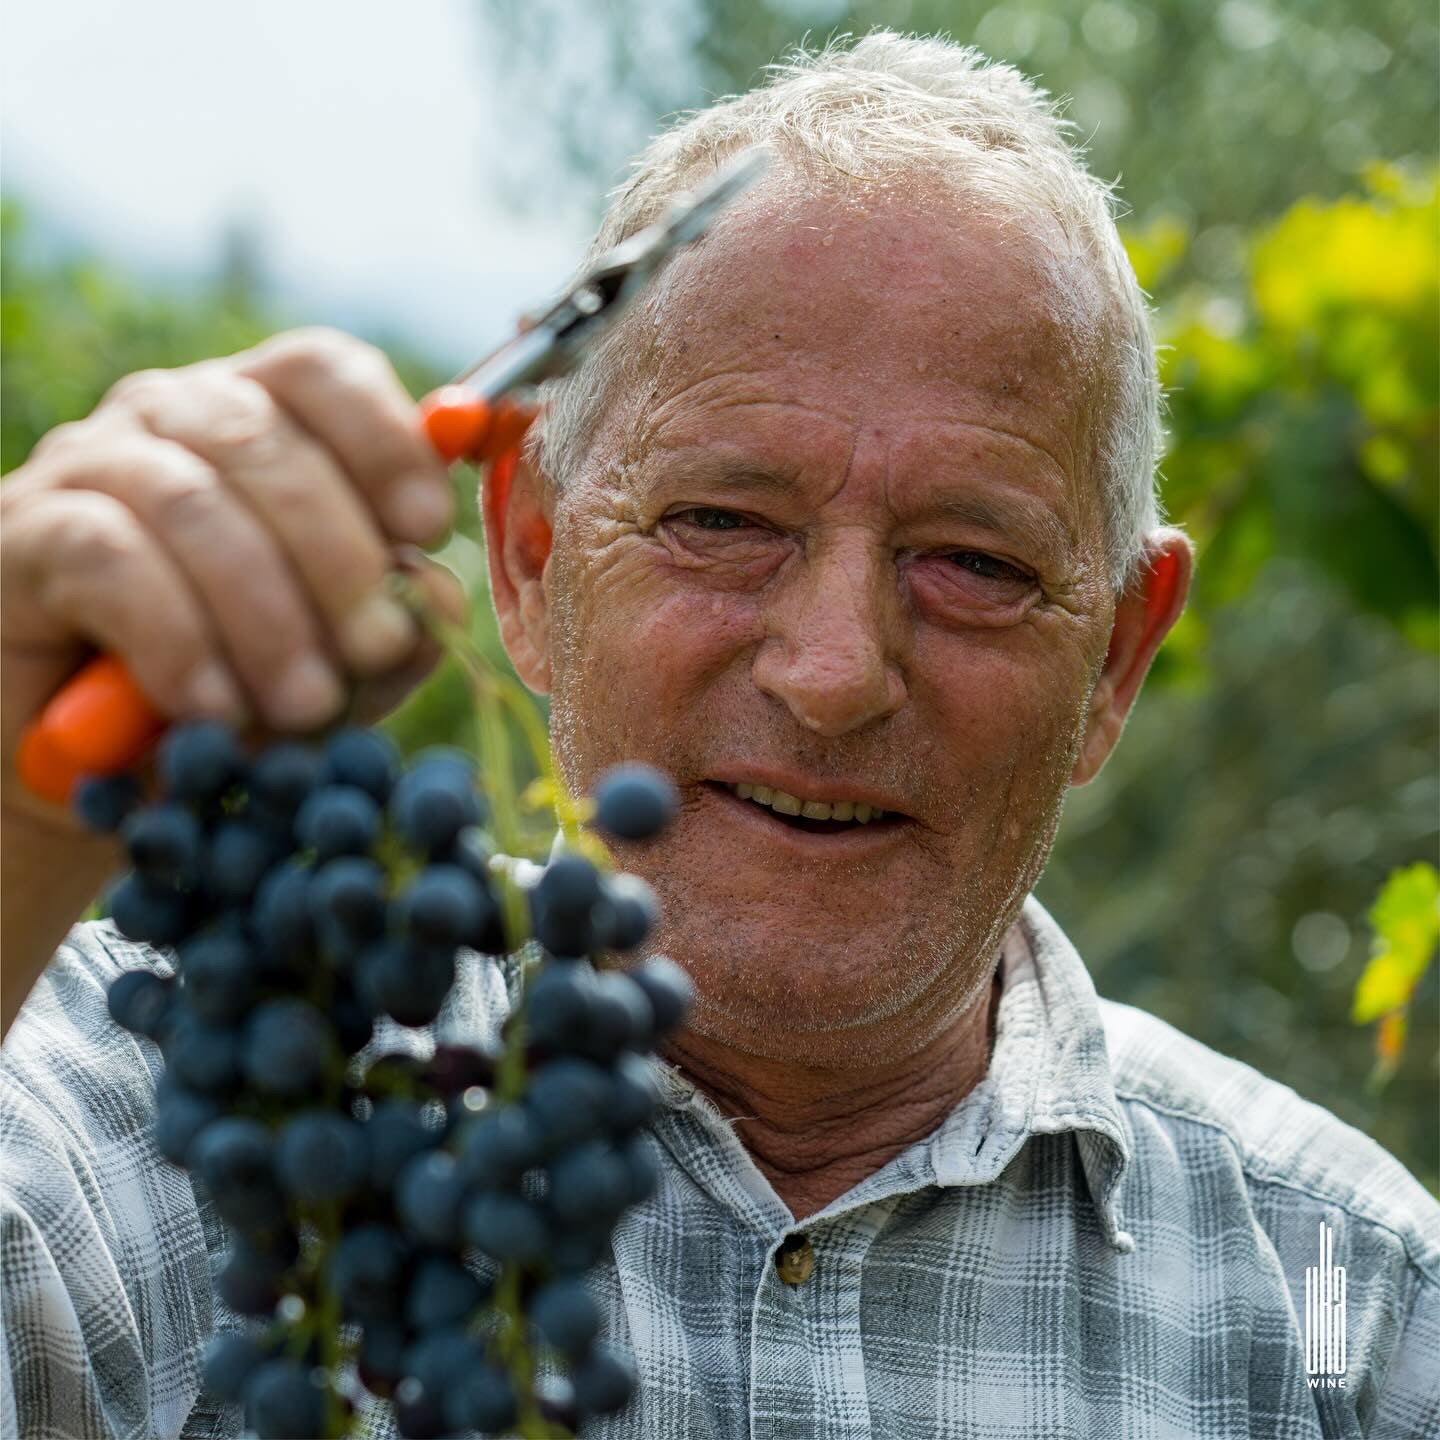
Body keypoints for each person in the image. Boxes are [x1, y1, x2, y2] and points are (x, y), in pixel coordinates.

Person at [1, 31, 1435, 1440]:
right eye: (722, 524)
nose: (831, 673)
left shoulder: (1360, 1315)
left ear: (1117, 655)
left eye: (977, 565)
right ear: (528, 556)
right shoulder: (188, 1107)